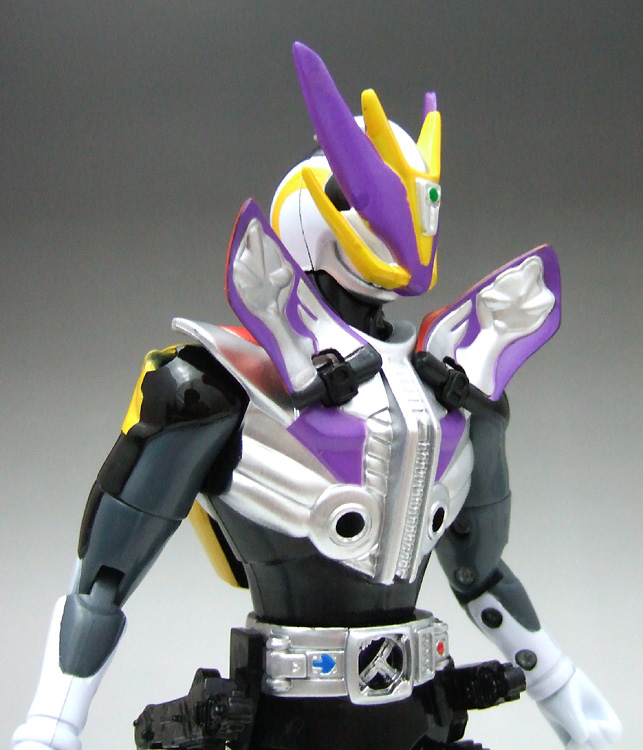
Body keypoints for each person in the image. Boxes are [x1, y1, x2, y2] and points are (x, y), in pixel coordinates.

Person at [13, 42, 622, 750]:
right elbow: (103, 580)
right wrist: (51, 724)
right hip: (285, 724)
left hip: (421, 717)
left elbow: (480, 576)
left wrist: (568, 696)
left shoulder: (456, 389)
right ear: (320, 212)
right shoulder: (215, 386)